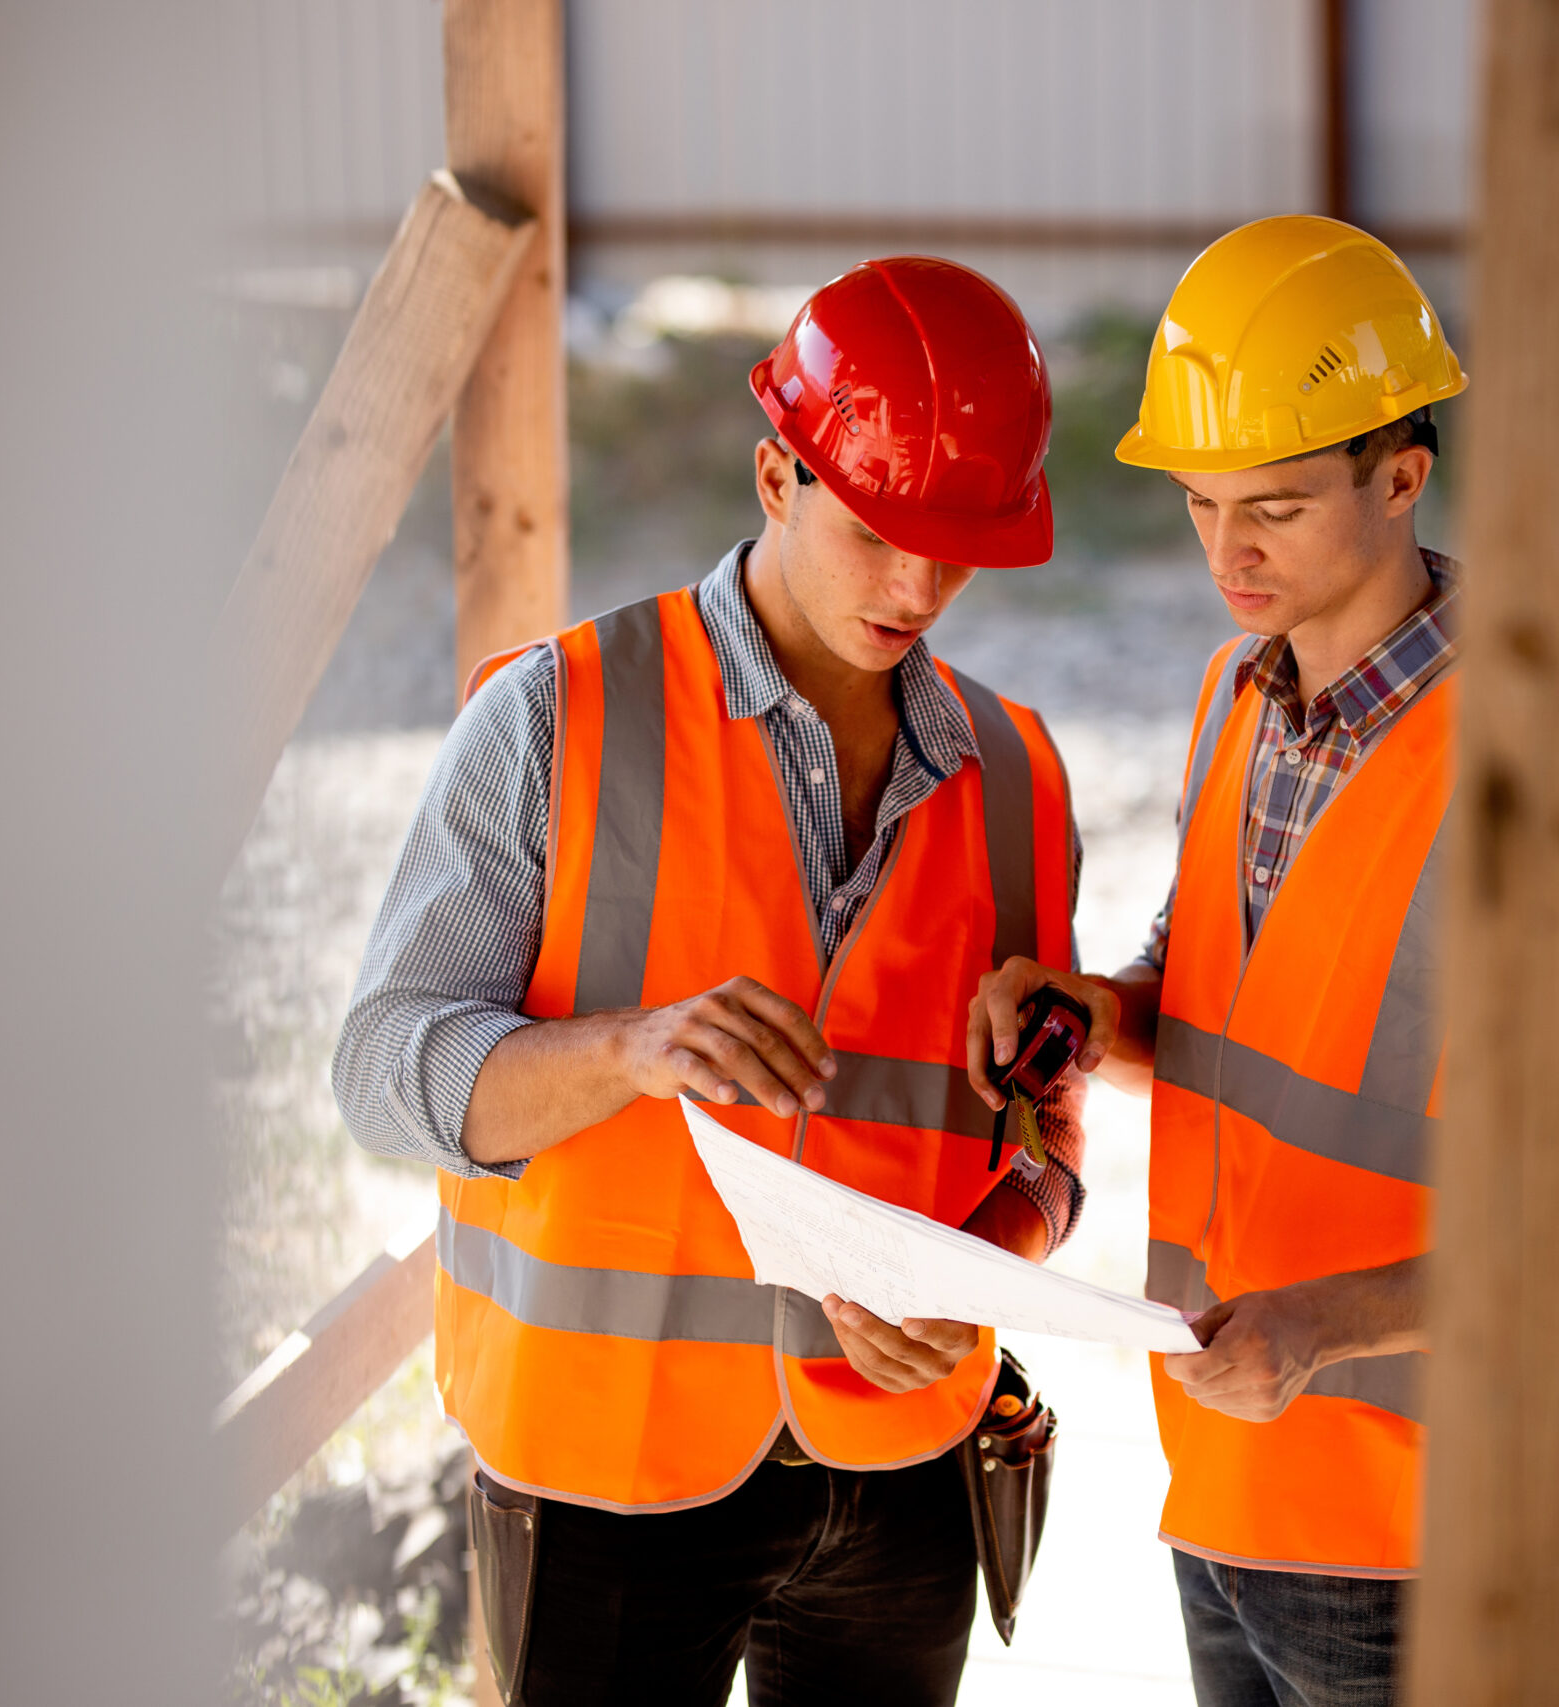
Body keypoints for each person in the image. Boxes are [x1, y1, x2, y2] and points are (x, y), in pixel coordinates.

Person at [334, 255, 1089, 1707]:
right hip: (609, 1479)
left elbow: (1048, 1143)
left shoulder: (1019, 779)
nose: (920, 587)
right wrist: (620, 1051)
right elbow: (379, 1074)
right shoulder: (554, 719)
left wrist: (989, 1260)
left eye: (960, 543)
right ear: (774, 474)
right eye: (878, 532)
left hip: (907, 1477)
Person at [965, 217, 1466, 1705]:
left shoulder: (1538, 754)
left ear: (1400, 476)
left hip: (1420, 1520)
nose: (1227, 555)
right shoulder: (1230, 698)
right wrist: (1093, 1015)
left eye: (1277, 508)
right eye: (1196, 504)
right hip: (1220, 1477)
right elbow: (1219, 1010)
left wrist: (1327, 1325)